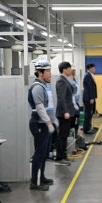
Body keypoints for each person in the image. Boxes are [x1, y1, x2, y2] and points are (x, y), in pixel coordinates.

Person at [28, 61, 56, 190]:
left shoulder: (45, 86)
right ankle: (34, 182)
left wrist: (53, 121)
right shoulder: (38, 87)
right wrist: (49, 123)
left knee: (44, 153)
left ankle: (42, 178)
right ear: (40, 73)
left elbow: (48, 107)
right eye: (48, 71)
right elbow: (39, 108)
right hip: (39, 124)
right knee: (39, 154)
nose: (50, 74)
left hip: (45, 125)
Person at [55, 61, 76, 166]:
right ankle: (59, 158)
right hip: (64, 113)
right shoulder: (61, 81)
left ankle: (64, 155)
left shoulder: (65, 80)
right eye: (69, 68)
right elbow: (61, 98)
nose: (71, 70)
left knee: (65, 135)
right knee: (62, 136)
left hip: (68, 112)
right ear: (64, 69)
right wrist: (65, 111)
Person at [83, 62, 98, 134]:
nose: (94, 69)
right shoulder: (87, 76)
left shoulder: (90, 75)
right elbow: (89, 88)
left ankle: (89, 127)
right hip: (88, 98)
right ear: (90, 69)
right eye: (93, 68)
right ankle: (86, 129)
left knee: (90, 113)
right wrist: (91, 98)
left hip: (90, 97)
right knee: (88, 114)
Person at [71, 66, 81, 144]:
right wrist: (74, 104)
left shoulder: (75, 79)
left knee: (77, 120)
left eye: (75, 70)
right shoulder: (69, 81)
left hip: (76, 103)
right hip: (72, 104)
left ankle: (76, 135)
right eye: (73, 70)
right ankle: (72, 137)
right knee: (73, 121)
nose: (74, 71)